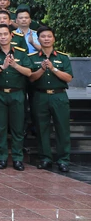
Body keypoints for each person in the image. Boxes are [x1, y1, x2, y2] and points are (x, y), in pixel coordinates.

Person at [0, 24, 35, 171]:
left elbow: (29, 72)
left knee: (17, 128)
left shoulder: (20, 53)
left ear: (11, 36)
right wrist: (2, 67)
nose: (3, 37)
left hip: (17, 93)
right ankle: (2, 158)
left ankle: (18, 158)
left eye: (5, 34)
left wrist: (14, 65)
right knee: (0, 128)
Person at [29, 26, 73, 173]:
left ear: (53, 38)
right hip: (40, 96)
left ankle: (63, 160)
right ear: (38, 39)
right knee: (42, 128)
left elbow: (68, 78)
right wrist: (41, 69)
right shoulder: (33, 58)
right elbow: (31, 78)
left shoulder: (62, 57)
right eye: (43, 36)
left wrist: (53, 68)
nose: (46, 39)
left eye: (49, 36)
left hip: (59, 95)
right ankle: (45, 158)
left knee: (62, 128)